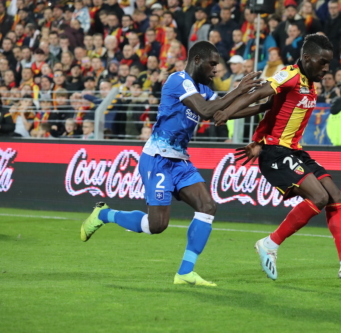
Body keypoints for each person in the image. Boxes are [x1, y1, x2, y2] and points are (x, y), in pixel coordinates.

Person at [80, 41, 261, 286]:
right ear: (197, 59)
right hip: (158, 159)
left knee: (207, 206)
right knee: (156, 225)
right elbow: (206, 111)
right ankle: (105, 214)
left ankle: (185, 272)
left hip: (180, 161)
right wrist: (239, 90)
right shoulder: (179, 80)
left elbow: (223, 111)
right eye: (212, 64)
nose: (215, 70)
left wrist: (265, 106)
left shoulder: (202, 89)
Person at [212, 34, 341, 282]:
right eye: (322, 62)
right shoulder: (289, 75)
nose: (326, 68)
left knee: (335, 195)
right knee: (319, 197)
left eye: (329, 64)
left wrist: (252, 132)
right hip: (276, 153)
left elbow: (268, 108)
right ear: (306, 57)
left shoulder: (309, 83)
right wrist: (228, 111)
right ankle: (270, 244)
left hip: (294, 151)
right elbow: (259, 95)